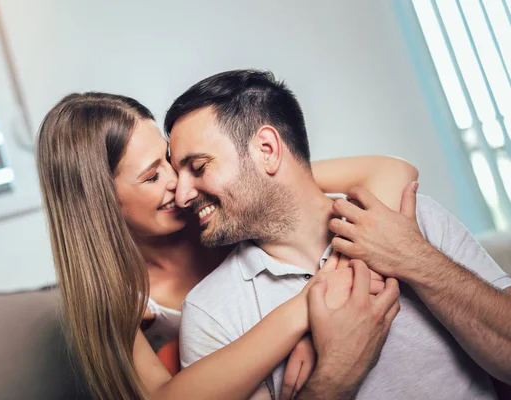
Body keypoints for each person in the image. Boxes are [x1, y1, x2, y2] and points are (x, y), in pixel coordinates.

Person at [36, 92, 415, 399]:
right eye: (153, 176)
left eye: (171, 160)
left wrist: (335, 293)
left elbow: (392, 171)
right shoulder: (123, 297)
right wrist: (305, 312)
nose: (181, 186)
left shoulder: (218, 202)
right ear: (102, 205)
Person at [168, 69, 511, 399]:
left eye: (198, 167)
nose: (181, 195)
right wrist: (335, 374)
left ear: (266, 150)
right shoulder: (210, 313)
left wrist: (416, 259)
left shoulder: (411, 214)